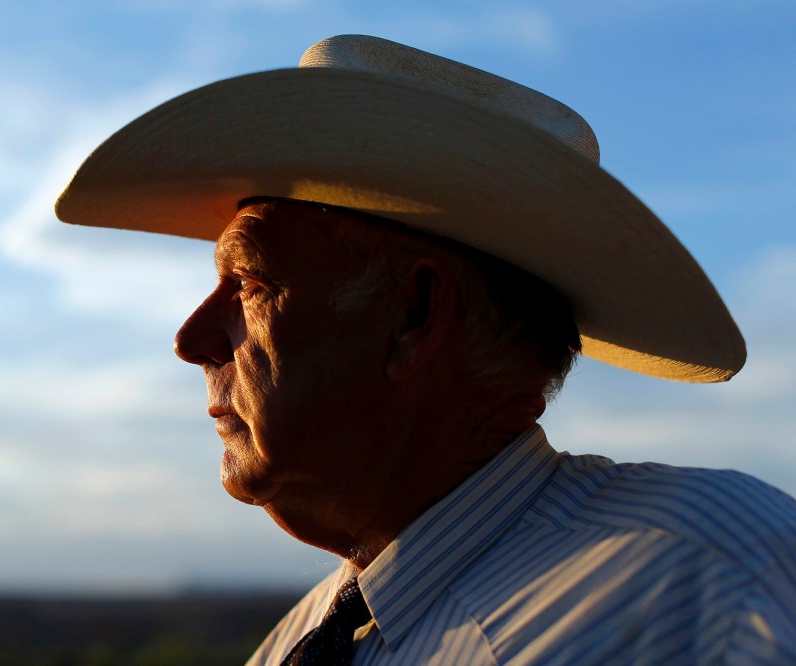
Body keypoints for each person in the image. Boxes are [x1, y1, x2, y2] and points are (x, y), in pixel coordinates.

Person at [56, 35, 796, 664]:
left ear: (414, 313)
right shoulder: (295, 645)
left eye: (247, 283)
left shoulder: (709, 583)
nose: (191, 340)